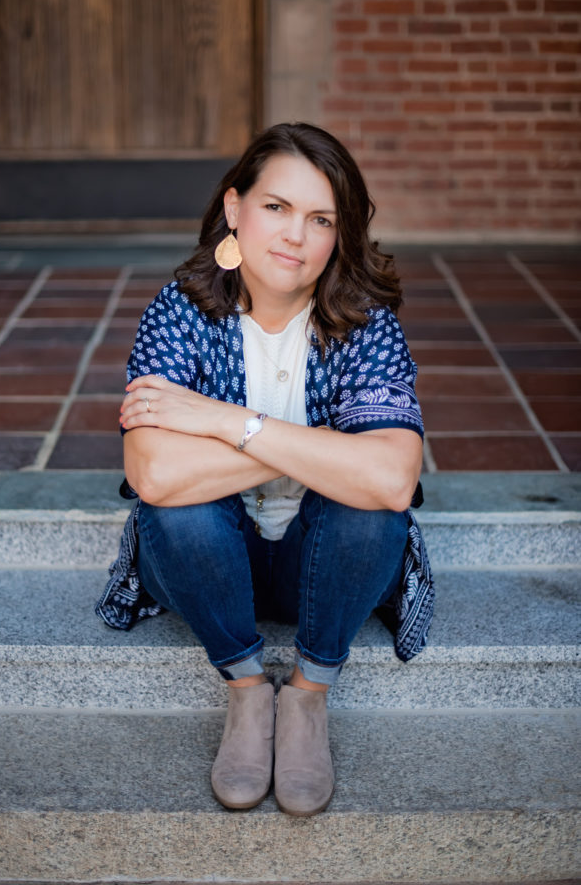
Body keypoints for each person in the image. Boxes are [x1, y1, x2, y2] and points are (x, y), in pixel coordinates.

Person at [96, 122, 434, 817]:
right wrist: (324, 450)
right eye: (276, 207)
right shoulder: (180, 312)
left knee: (371, 512)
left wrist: (225, 422)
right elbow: (155, 473)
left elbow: (392, 480)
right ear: (233, 209)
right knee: (178, 512)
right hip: (211, 560)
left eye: (321, 219)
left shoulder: (364, 323)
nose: (295, 236)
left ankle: (307, 698)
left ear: (340, 235)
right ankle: (249, 691)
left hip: (327, 554)